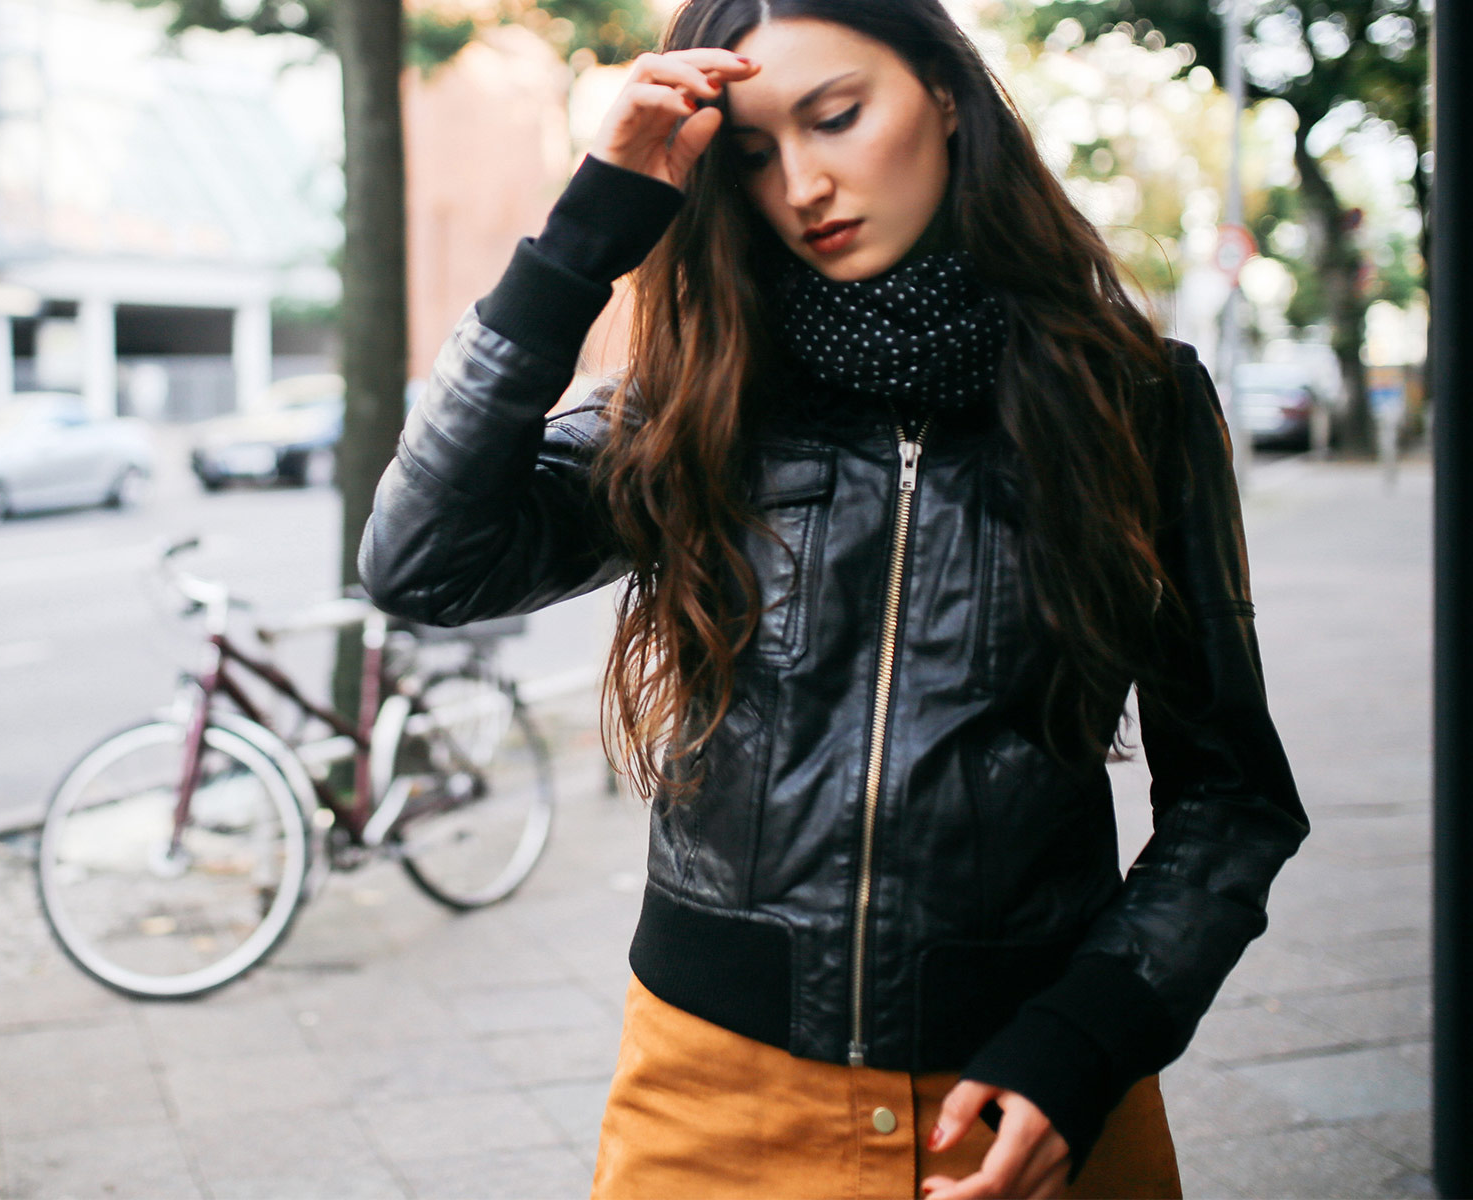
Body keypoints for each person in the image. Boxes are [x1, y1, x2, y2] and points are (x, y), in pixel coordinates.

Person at [357, 1, 1309, 1197]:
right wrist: (582, 237)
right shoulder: (694, 399)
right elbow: (422, 564)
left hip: (1023, 1098)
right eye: (752, 153)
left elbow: (1233, 801)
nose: (803, 183)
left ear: (947, 97)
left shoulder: (1133, 401)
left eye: (839, 116)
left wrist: (1088, 1041)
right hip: (713, 1102)